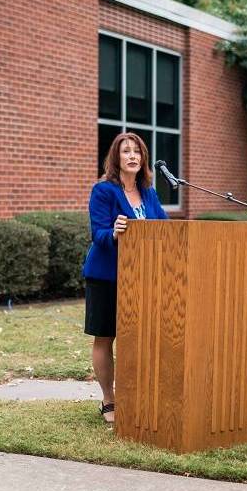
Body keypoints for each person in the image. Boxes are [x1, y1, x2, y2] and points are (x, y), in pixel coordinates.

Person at [82, 132, 168, 423]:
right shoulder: (104, 190)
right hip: (106, 276)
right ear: (116, 159)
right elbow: (99, 234)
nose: (132, 156)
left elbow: (165, 230)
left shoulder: (149, 193)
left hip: (141, 278)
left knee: (138, 338)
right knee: (105, 337)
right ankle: (109, 400)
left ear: (143, 159)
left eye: (137, 152)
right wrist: (116, 233)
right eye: (126, 151)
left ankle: (136, 395)